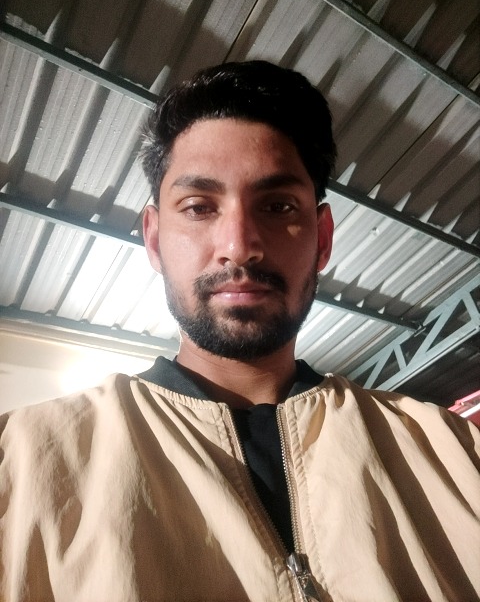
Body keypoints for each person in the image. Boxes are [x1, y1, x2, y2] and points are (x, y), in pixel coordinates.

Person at [0, 61, 479, 602]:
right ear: (154, 240)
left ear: (322, 239)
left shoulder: (455, 453)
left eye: (277, 206)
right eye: (198, 207)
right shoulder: (19, 464)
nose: (239, 245)